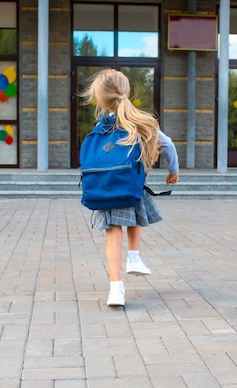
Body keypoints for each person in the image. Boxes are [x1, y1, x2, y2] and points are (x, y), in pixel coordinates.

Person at [81, 68, 179, 307]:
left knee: (112, 238)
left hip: (104, 190)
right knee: (135, 210)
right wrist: (173, 171)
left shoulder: (99, 128)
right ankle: (134, 258)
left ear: (100, 99)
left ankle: (116, 289)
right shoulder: (138, 122)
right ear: (126, 92)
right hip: (130, 187)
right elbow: (168, 144)